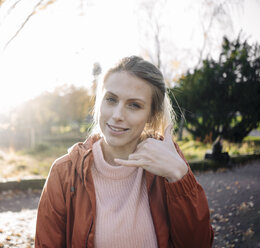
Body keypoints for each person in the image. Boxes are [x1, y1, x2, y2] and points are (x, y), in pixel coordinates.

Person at [35, 56, 214, 248]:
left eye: (134, 105)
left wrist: (179, 177)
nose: (117, 115)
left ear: (151, 115)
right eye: (111, 99)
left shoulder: (168, 162)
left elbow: (199, 244)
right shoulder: (65, 172)